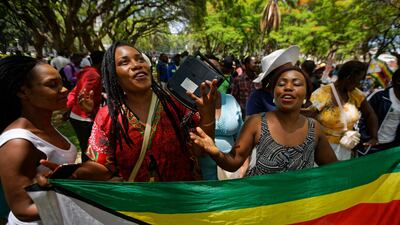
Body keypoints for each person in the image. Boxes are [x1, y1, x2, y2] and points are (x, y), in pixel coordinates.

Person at [42, 42, 217, 182]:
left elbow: (200, 151)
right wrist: (73, 173)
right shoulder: (107, 116)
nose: (137, 65)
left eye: (140, 59)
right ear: (114, 75)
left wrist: (207, 114)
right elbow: (102, 167)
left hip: (182, 204)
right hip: (136, 208)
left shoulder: (175, 104)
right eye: (124, 62)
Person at [190, 46, 338, 176]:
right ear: (273, 90)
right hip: (260, 204)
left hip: (298, 205)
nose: (288, 87)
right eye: (281, 83)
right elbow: (233, 162)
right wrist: (215, 151)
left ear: (307, 93)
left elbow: (335, 170)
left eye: (297, 83)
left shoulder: (314, 128)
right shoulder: (256, 123)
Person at [0, 56, 77, 224]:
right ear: (23, 92)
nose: (63, 89)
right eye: (52, 85)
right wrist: (87, 195)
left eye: (61, 82)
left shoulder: (43, 126)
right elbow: (23, 209)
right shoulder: (17, 143)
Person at [309, 60, 379, 160]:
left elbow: (370, 114)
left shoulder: (356, 95)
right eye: (357, 80)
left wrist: (374, 137)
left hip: (346, 147)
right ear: (348, 77)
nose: (358, 84)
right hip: (322, 147)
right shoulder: (323, 93)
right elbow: (308, 117)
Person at [199, 58, 243, 180]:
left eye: (215, 71)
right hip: (203, 171)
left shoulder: (230, 100)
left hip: (231, 170)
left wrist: (243, 165)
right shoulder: (192, 103)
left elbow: (241, 137)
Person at [67, 51, 104, 162]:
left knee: (86, 148)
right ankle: (87, 173)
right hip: (83, 118)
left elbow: (76, 91)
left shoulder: (89, 72)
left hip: (77, 114)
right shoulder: (94, 75)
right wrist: (92, 114)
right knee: (89, 149)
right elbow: (85, 97)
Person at [358, 68, 400, 154]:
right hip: (371, 146)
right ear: (398, 81)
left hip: (390, 148)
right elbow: (362, 117)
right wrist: (367, 139)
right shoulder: (379, 96)